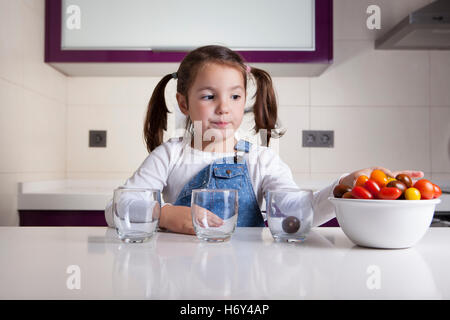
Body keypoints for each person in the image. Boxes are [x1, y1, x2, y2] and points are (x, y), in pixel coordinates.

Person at [104, 45, 423, 234]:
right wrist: (165, 213)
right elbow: (116, 208)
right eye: (209, 95)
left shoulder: (260, 159)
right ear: (184, 103)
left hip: (248, 273)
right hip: (176, 274)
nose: (223, 107)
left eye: (235, 95)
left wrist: (346, 186)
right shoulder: (170, 156)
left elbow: (298, 212)